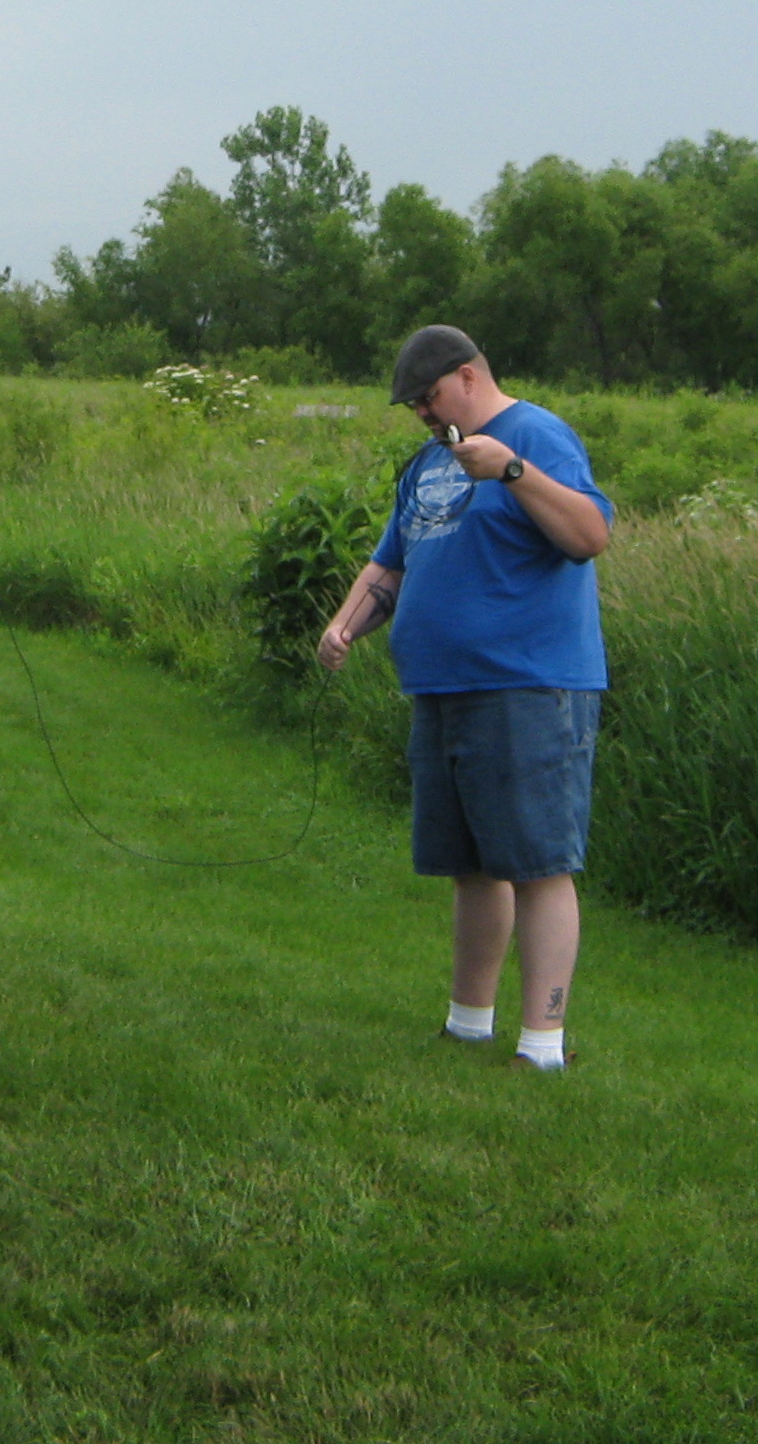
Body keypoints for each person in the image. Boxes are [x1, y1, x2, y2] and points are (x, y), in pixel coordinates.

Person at [317, 324, 613, 1072]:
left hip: (527, 683)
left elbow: (589, 534)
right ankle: (467, 1025)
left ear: (469, 376)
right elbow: (392, 564)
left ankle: (542, 1045)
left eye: (429, 396)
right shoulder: (428, 463)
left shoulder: (536, 434)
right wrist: (346, 625)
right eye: (413, 404)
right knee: (472, 865)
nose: (421, 411)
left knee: (538, 862)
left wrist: (511, 471)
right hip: (441, 688)